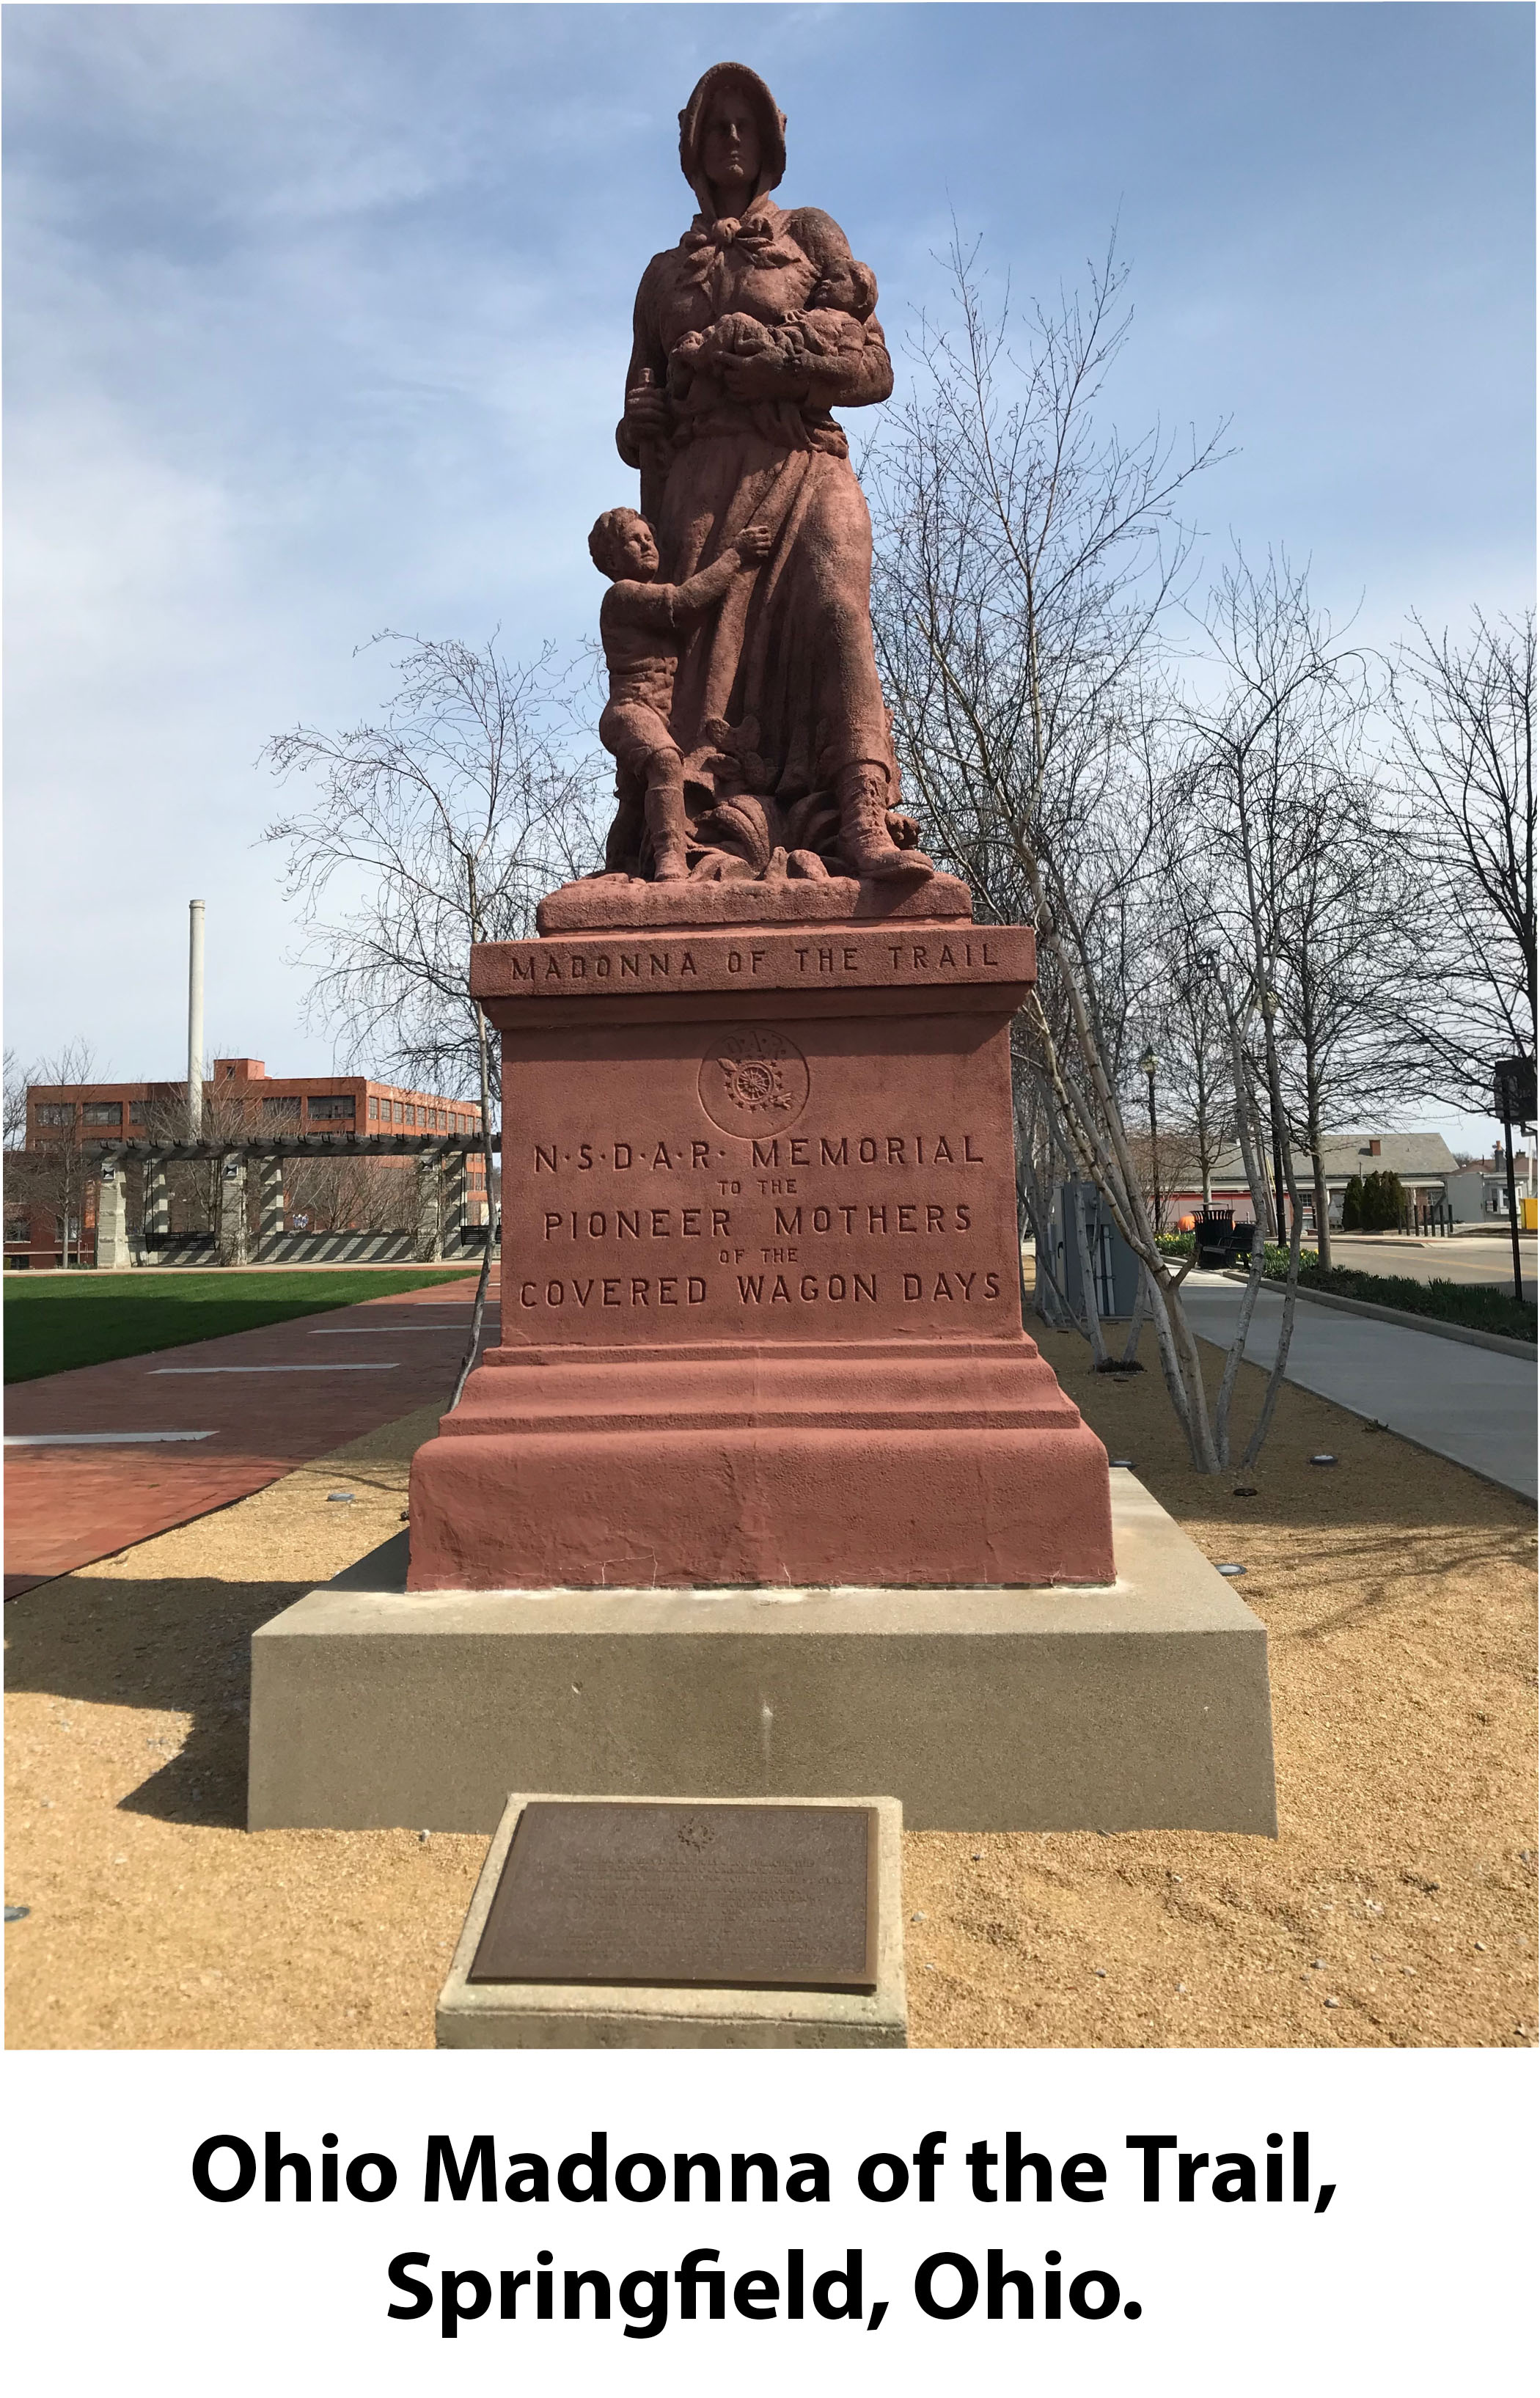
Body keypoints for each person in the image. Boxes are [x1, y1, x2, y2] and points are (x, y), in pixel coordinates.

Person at [612, 62, 934, 884]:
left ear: (769, 139)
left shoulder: (811, 236)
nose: (729, 138)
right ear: (691, 141)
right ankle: (687, 835)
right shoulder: (660, 276)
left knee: (836, 611)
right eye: (715, 124)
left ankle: (862, 815)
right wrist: (640, 422)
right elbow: (640, 405)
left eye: (744, 124)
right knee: (705, 674)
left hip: (802, 459)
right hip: (701, 488)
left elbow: (875, 371)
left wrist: (781, 365)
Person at [591, 507, 772, 879]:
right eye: (634, 541)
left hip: (657, 715)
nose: (647, 546)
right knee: (666, 762)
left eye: (649, 538)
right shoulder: (622, 596)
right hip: (630, 711)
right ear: (612, 558)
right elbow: (683, 602)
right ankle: (670, 857)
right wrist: (736, 555)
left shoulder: (643, 596)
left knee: (632, 804)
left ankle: (618, 867)